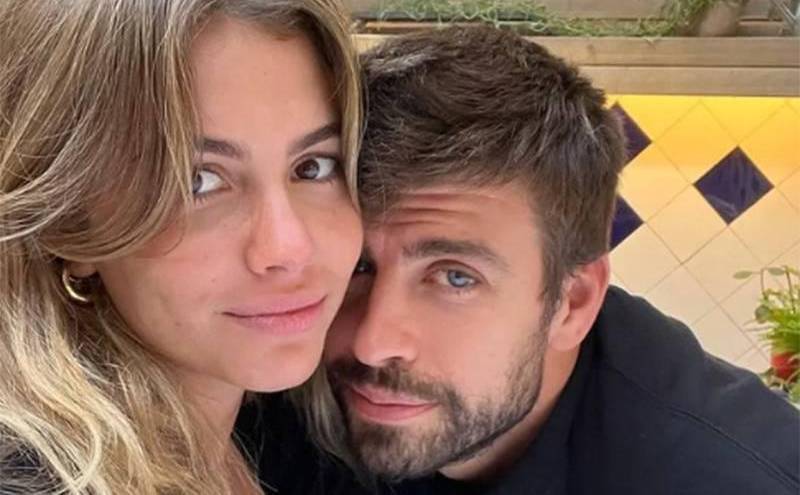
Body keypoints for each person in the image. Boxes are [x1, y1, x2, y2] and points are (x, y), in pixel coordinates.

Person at [292, 26, 800, 495]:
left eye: (455, 277)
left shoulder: (724, 479)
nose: (372, 343)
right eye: (357, 265)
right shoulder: (289, 389)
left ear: (572, 302)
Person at [0, 1, 362, 494]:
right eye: (198, 181)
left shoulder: (283, 434)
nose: (289, 247)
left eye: (313, 167)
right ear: (71, 224)